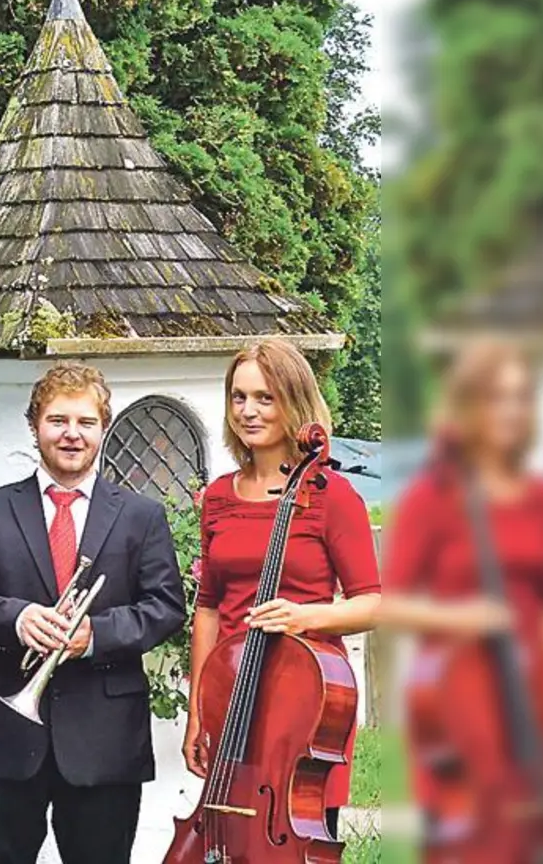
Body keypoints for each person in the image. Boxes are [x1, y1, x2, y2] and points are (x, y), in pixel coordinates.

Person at [0, 362, 187, 864]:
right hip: (6, 737)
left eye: (85, 422)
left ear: (103, 428)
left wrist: (95, 634)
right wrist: (18, 618)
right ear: (35, 426)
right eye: (57, 420)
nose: (71, 434)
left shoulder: (141, 515)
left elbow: (165, 607)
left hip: (105, 738)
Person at [380, 339, 543, 852]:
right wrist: (462, 619)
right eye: (496, 397)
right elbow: (391, 602)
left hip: (533, 696)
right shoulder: (432, 495)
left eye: (520, 397)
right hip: (457, 707)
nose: (511, 410)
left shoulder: (542, 497)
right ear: (468, 405)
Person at [183, 339, 380, 838]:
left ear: (294, 402)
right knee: (226, 838)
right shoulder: (218, 497)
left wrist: (304, 616)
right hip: (231, 696)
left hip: (304, 703)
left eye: (265, 398)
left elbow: (373, 603)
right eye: (239, 397)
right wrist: (197, 712)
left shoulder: (332, 496)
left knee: (296, 837)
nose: (248, 411)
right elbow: (208, 607)